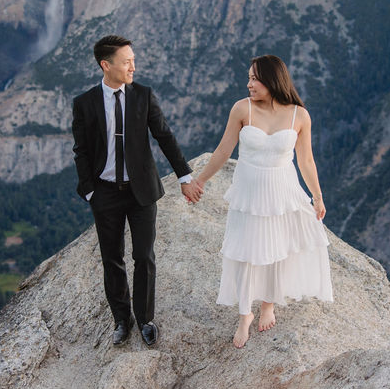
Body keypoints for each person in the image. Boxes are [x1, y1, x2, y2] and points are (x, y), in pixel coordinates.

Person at [192, 55, 333, 348]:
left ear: (272, 80)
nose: (249, 84)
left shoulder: (299, 115)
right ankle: (245, 313)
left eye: (254, 78)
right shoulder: (242, 109)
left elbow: (306, 160)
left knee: (278, 248)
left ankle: (269, 303)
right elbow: (223, 150)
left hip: (282, 188)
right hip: (249, 190)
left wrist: (317, 197)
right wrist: (201, 179)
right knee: (246, 250)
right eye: (249, 78)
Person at [72, 35, 202, 347]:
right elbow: (82, 151)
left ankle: (145, 319)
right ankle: (121, 319)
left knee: (144, 255)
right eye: (127, 61)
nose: (133, 66)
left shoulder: (143, 95)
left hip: (141, 191)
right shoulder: (85, 103)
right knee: (111, 258)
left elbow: (164, 136)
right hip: (104, 193)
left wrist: (185, 175)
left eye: (133, 60)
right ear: (107, 65)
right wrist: (90, 191)